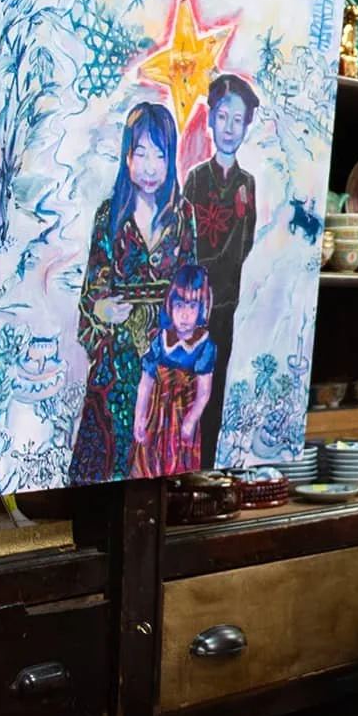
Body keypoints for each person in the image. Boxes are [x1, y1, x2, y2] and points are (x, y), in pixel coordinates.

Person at [69, 102, 197, 485]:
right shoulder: (109, 216)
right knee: (106, 469)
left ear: (170, 157)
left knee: (162, 473)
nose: (150, 165)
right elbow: (93, 289)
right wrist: (103, 309)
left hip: (167, 357)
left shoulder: (183, 214)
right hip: (117, 356)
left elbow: (193, 289)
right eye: (140, 153)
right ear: (127, 157)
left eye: (159, 154)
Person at [182, 72, 260, 466]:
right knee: (185, 386)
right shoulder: (197, 179)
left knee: (214, 387)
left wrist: (218, 277)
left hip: (225, 305)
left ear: (247, 126)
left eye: (238, 120)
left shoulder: (247, 183)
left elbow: (243, 245)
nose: (229, 128)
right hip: (191, 307)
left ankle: (207, 464)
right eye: (223, 117)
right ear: (211, 119)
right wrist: (202, 278)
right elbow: (186, 241)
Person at [132, 263, 217, 478]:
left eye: (192, 307)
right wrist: (139, 416)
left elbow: (204, 392)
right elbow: (146, 381)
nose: (185, 315)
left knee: (178, 467)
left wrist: (191, 421)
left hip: (181, 418)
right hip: (155, 416)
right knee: (147, 464)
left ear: (202, 308)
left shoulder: (204, 346)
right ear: (170, 305)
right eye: (180, 306)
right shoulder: (161, 340)